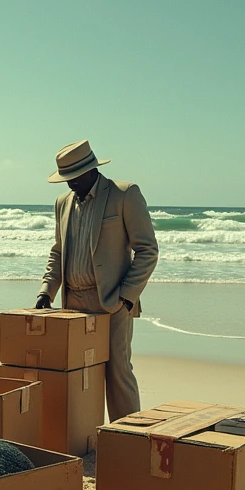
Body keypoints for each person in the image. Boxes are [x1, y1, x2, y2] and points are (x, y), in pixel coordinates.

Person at [35, 139, 158, 422]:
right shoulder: (63, 203)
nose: (69, 185)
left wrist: (127, 296)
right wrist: (46, 291)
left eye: (73, 178)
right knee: (79, 378)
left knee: (118, 374)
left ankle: (127, 438)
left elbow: (148, 250)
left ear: (90, 170)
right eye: (64, 179)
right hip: (73, 304)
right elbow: (58, 250)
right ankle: (84, 438)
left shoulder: (124, 195)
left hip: (114, 303)